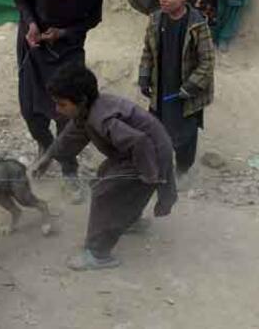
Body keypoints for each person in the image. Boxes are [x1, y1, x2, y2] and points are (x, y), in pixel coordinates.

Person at [30, 64, 176, 271]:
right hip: (136, 154)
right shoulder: (87, 110)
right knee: (106, 175)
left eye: (62, 104)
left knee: (104, 193)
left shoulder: (102, 118)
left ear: (81, 100)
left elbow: (140, 142)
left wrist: (151, 176)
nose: (57, 110)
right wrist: (48, 157)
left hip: (150, 156)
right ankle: (129, 220)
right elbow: (71, 136)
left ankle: (98, 253)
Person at [15, 0, 103, 204]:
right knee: (30, 110)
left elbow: (92, 20)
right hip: (33, 50)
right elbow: (22, 0)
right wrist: (31, 24)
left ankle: (68, 169)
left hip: (67, 54)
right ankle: (45, 145)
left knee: (67, 115)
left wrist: (63, 33)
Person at [138, 0, 215, 181]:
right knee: (155, 130)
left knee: (185, 136)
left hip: (186, 94)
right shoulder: (155, 20)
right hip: (162, 88)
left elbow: (207, 61)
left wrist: (191, 86)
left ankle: (182, 170)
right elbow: (148, 51)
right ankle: (159, 170)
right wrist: (144, 76)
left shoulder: (197, 24)